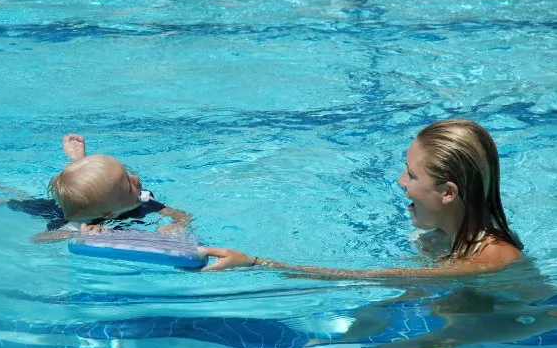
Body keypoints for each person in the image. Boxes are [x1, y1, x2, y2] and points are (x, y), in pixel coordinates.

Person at [201, 119, 523, 277]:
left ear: (448, 193)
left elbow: (371, 279)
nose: (400, 182)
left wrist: (257, 263)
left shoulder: (487, 261)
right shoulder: (442, 236)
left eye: (411, 175)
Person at [0, 134, 191, 242]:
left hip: (89, 202)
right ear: (111, 214)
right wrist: (78, 236)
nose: (135, 178)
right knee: (23, 204)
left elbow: (180, 215)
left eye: (126, 174)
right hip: (63, 213)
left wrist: (176, 225)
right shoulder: (76, 224)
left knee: (84, 187)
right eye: (129, 184)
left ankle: (78, 163)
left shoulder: (137, 200)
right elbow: (39, 239)